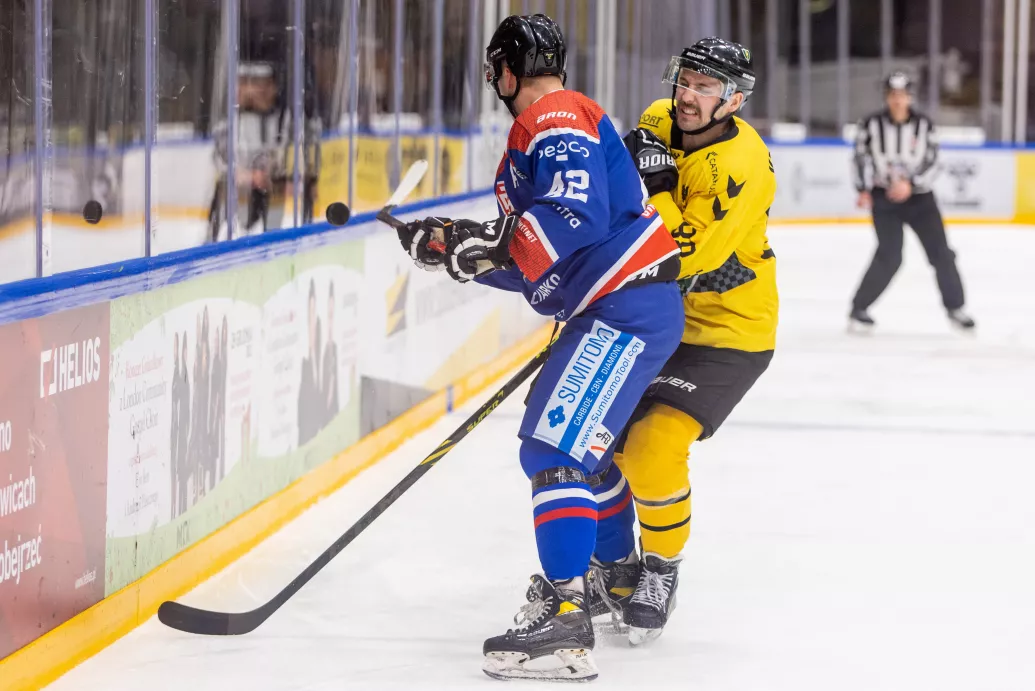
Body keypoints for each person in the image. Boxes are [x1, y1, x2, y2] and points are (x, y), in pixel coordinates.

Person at [396, 13, 684, 682]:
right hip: (620, 305)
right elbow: (540, 254)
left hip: (623, 306)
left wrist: (488, 242)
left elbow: (571, 215)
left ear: (506, 69)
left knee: (554, 449)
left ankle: (565, 614)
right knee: (580, 449)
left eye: (495, 69)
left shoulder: (553, 115)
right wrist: (459, 250)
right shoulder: (553, 123)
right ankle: (615, 575)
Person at [586, 38, 778, 644]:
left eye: (706, 87)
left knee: (651, 450)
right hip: (655, 318)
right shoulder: (656, 118)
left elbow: (684, 257)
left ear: (735, 100)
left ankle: (661, 569)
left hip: (727, 331)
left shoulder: (740, 166)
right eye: (685, 80)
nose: (688, 96)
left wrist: (659, 186)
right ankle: (616, 569)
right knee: (596, 439)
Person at [850, 71, 975, 331]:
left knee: (941, 253)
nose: (897, 100)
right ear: (887, 97)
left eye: (902, 95)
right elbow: (859, 157)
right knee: (890, 255)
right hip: (885, 198)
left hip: (920, 200)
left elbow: (934, 161)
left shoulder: (925, 125)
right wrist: (862, 188)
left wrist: (911, 183)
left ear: (910, 97)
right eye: (893, 95)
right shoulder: (871, 124)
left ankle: (956, 308)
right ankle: (859, 308)